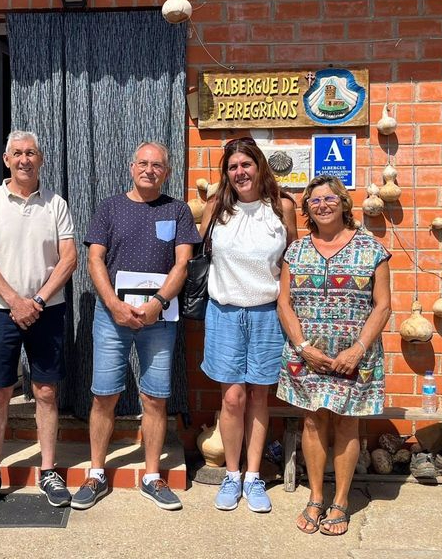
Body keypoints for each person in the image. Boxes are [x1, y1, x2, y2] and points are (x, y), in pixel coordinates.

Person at [71, 141, 200, 511]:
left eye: (157, 165)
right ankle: (96, 473)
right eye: (143, 163)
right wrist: (112, 304)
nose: (149, 170)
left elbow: (182, 264)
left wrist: (158, 303)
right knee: (104, 394)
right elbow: (94, 257)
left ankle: (151, 475)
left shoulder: (177, 211)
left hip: (159, 318)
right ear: (131, 167)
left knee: (155, 397)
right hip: (112, 316)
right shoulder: (110, 207)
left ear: (167, 172)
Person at [276, 175, 391, 536]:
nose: (322, 205)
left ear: (343, 203)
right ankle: (315, 496)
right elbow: (284, 303)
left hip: (354, 356)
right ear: (307, 209)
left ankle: (340, 501)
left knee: (346, 422)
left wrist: (357, 350)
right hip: (307, 354)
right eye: (314, 201)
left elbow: (383, 305)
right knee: (312, 422)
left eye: (329, 199)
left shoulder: (372, 248)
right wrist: (303, 347)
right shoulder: (295, 251)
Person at [0, 130, 77, 513]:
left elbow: (68, 258)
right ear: (6, 159)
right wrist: (15, 301)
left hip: (47, 309)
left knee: (46, 392)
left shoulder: (56, 204)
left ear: (41, 159)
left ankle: (48, 470)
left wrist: (38, 300)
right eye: (17, 153)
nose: (24, 159)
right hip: (0, 310)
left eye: (31, 152)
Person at [198, 137, 298, 514]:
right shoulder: (216, 207)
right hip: (224, 312)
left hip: (266, 314)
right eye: (233, 166)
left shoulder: (282, 206)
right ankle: (232, 473)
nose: (240, 172)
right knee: (232, 397)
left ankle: (254, 476)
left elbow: (291, 260)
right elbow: (201, 254)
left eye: (246, 164)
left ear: (259, 165)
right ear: (226, 172)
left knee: (258, 396)